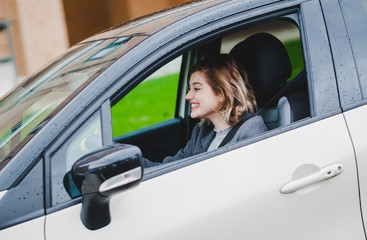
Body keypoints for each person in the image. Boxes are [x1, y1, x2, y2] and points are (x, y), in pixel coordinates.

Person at [143, 54, 267, 167]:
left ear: (222, 93)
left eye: (196, 88)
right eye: (189, 89)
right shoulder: (201, 132)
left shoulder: (251, 129)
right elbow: (169, 169)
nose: (188, 96)